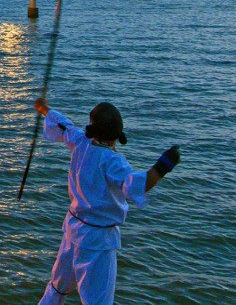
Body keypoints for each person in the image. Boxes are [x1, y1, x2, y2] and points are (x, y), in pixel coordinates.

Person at [34, 97, 181, 305]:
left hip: (72, 230)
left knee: (57, 288)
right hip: (97, 241)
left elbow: (63, 124)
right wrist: (165, 164)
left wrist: (42, 108)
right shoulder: (112, 161)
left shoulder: (80, 141)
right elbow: (136, 186)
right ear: (116, 136)